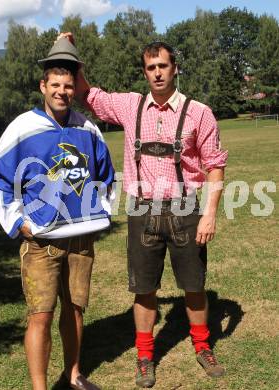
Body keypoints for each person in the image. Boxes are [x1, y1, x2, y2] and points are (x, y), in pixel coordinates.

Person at [58, 33, 228, 388]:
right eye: (150, 68)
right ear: (145, 73)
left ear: (174, 68)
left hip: (187, 209)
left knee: (194, 287)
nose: (157, 73)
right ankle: (145, 356)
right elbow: (88, 94)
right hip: (142, 210)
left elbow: (214, 165)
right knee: (144, 289)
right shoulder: (130, 106)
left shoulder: (199, 112)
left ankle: (202, 346)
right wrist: (70, 52)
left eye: (163, 66)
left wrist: (210, 213)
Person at [0, 38, 115, 390]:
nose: (62, 91)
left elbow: (107, 175)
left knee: (74, 311)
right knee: (40, 315)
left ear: (75, 89)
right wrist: (18, 223)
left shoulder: (87, 130)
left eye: (68, 86)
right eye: (55, 85)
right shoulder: (21, 128)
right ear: (43, 86)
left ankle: (73, 375)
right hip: (42, 242)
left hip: (80, 239)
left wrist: (100, 213)